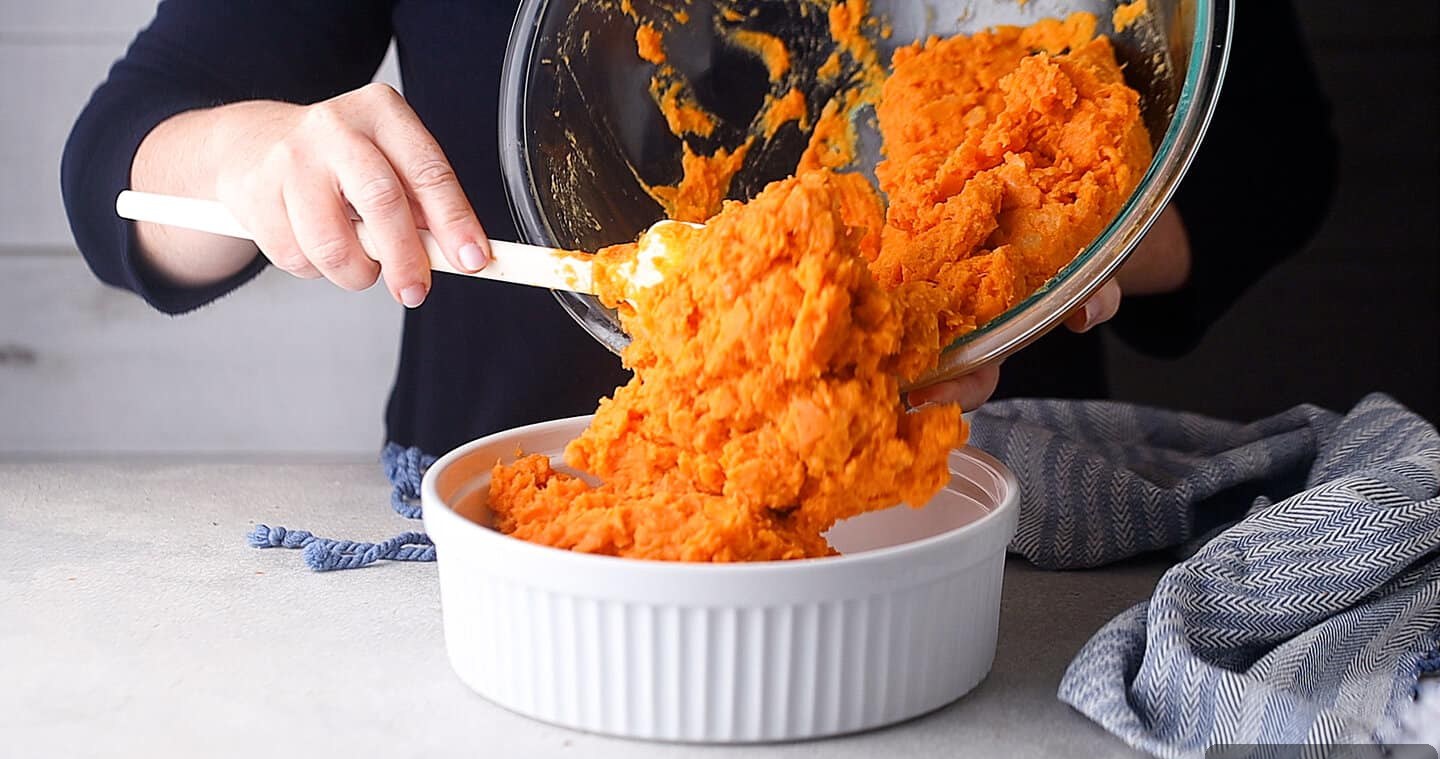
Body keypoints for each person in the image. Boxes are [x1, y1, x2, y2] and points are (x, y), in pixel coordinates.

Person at [62, 1, 1335, 459]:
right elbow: (118, 154)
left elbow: (1276, 163)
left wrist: (1070, 244)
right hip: (510, 508)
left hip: (997, 516)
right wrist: (256, 159)